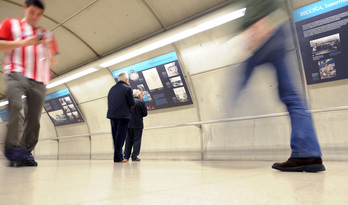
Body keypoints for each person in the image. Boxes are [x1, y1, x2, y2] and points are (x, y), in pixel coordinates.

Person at [238, 0, 325, 172]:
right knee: (291, 96)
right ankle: (308, 154)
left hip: (265, 30)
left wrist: (254, 25)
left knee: (238, 83)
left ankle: (305, 154)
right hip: (275, 27)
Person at [0, 0, 59, 167]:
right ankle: (12, 149)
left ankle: (25, 152)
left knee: (34, 117)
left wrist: (47, 48)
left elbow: (54, 60)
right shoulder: (10, 24)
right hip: (16, 71)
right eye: (32, 12)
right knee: (15, 104)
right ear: (24, 8)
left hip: (39, 78)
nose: (35, 17)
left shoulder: (47, 34)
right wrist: (24, 42)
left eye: (39, 14)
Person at [107, 72, 135, 163]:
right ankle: (118, 158)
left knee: (115, 137)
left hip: (112, 116)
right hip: (123, 116)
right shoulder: (127, 88)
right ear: (126, 80)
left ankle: (118, 156)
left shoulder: (112, 89)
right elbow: (132, 103)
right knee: (121, 137)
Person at [124, 89, 148, 161]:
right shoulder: (140, 102)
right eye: (141, 94)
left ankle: (126, 157)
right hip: (138, 124)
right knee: (137, 140)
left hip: (127, 124)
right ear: (138, 95)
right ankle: (134, 156)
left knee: (128, 140)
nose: (142, 95)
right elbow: (145, 113)